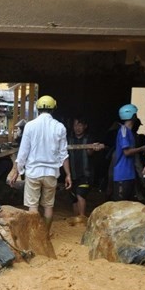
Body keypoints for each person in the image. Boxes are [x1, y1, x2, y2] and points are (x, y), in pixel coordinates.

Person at [8, 95, 71, 231]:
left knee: (33, 206)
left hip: (33, 173)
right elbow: (63, 154)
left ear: (38, 109)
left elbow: (23, 152)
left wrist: (16, 171)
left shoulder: (30, 126)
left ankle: (35, 235)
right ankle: (46, 235)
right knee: (48, 206)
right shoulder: (60, 127)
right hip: (51, 172)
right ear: (54, 109)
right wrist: (68, 175)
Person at [68, 116, 103, 219]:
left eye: (80, 125)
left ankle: (82, 218)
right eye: (75, 125)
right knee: (74, 198)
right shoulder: (69, 139)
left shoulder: (89, 139)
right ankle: (76, 219)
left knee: (80, 194)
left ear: (85, 126)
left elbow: (90, 152)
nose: (77, 127)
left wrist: (93, 147)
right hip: (72, 173)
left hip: (85, 174)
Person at [113, 104, 145, 201]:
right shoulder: (124, 131)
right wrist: (142, 148)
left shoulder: (129, 132)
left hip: (129, 175)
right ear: (133, 116)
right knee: (120, 206)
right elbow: (126, 152)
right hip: (122, 175)